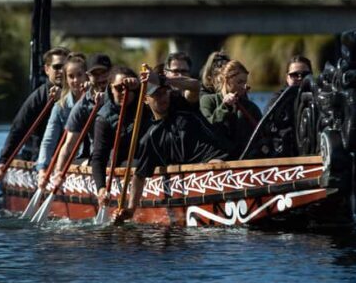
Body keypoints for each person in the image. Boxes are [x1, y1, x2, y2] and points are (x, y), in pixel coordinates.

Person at [113, 71, 230, 224]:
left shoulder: (182, 106)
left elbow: (195, 86)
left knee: (218, 166)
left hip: (223, 159)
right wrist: (130, 209)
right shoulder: (151, 138)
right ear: (145, 100)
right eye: (157, 95)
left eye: (164, 92)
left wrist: (162, 79)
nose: (163, 98)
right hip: (203, 174)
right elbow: (139, 176)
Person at [0, 46, 69, 182]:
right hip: (39, 158)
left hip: (70, 157)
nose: (61, 71)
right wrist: (3, 162)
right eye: (57, 67)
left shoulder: (79, 95)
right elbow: (18, 130)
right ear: (47, 69)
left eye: (65, 67)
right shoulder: (37, 98)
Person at [91, 66, 147, 208]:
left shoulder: (146, 107)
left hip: (147, 163)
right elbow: (98, 158)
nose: (124, 92)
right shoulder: (104, 118)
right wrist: (101, 188)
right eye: (118, 88)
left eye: (127, 87)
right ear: (110, 89)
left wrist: (139, 85)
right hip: (122, 164)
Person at [51, 53, 111, 176]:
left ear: (112, 73)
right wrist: (58, 173)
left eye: (103, 73)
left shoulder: (123, 94)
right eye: (95, 74)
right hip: (100, 161)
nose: (100, 79)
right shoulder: (81, 106)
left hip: (126, 157)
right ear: (89, 76)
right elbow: (68, 146)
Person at [35, 52, 87, 189]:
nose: (76, 80)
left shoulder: (96, 101)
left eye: (79, 75)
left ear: (86, 75)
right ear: (66, 79)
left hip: (90, 158)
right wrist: (42, 170)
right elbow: (48, 141)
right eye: (71, 76)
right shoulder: (60, 107)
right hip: (70, 159)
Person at [199, 59, 262, 159]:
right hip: (218, 160)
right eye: (239, 82)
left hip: (247, 160)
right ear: (226, 80)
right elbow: (209, 129)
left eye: (245, 82)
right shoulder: (208, 101)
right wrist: (225, 107)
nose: (244, 86)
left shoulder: (251, 107)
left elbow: (261, 134)